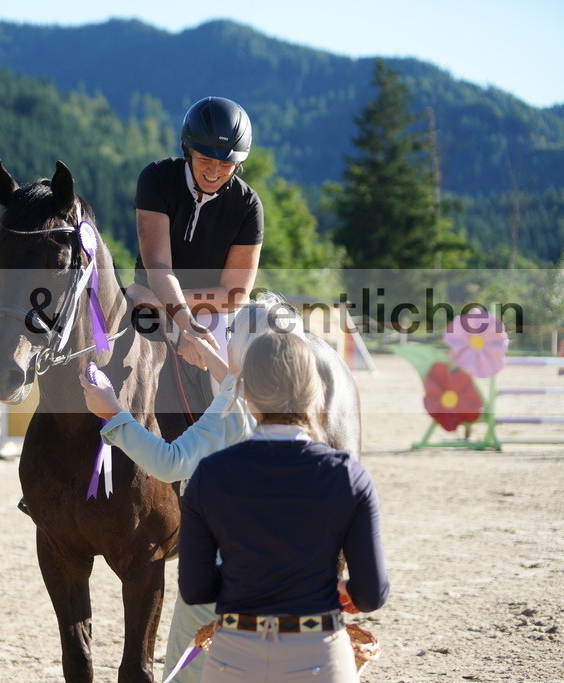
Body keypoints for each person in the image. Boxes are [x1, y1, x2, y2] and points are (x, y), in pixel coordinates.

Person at [83, 295, 301, 683]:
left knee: (187, 671)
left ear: (251, 347)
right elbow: (240, 388)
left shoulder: (233, 405)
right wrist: (212, 360)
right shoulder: (293, 398)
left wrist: (113, 415)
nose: (226, 337)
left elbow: (171, 462)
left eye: (232, 332)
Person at [179, 332, 389, 682]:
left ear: (244, 393)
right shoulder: (347, 475)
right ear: (317, 391)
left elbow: (196, 589)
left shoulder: (210, 474)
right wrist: (333, 587)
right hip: (318, 654)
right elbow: (371, 594)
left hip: (234, 655)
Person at [130, 96, 263, 393]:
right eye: (205, 159)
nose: (214, 171)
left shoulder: (248, 205)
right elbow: (159, 265)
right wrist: (183, 324)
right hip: (147, 302)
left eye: (226, 163)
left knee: (228, 383)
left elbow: (235, 293)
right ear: (188, 149)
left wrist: (164, 306)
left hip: (209, 311)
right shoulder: (157, 179)